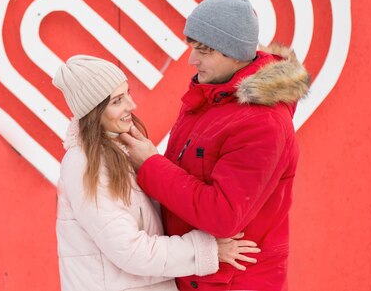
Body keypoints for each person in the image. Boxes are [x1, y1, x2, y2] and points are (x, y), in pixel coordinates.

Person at [120, 0, 311, 291]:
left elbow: (223, 215)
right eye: (192, 47)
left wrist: (149, 164)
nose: (192, 60)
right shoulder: (209, 96)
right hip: (198, 274)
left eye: (205, 50)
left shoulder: (262, 122)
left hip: (236, 284)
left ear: (235, 53)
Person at [52, 55, 261, 291]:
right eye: (117, 101)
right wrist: (207, 250)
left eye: (127, 93)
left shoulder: (123, 149)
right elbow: (130, 250)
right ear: (94, 112)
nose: (131, 105)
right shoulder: (85, 165)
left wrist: (151, 163)